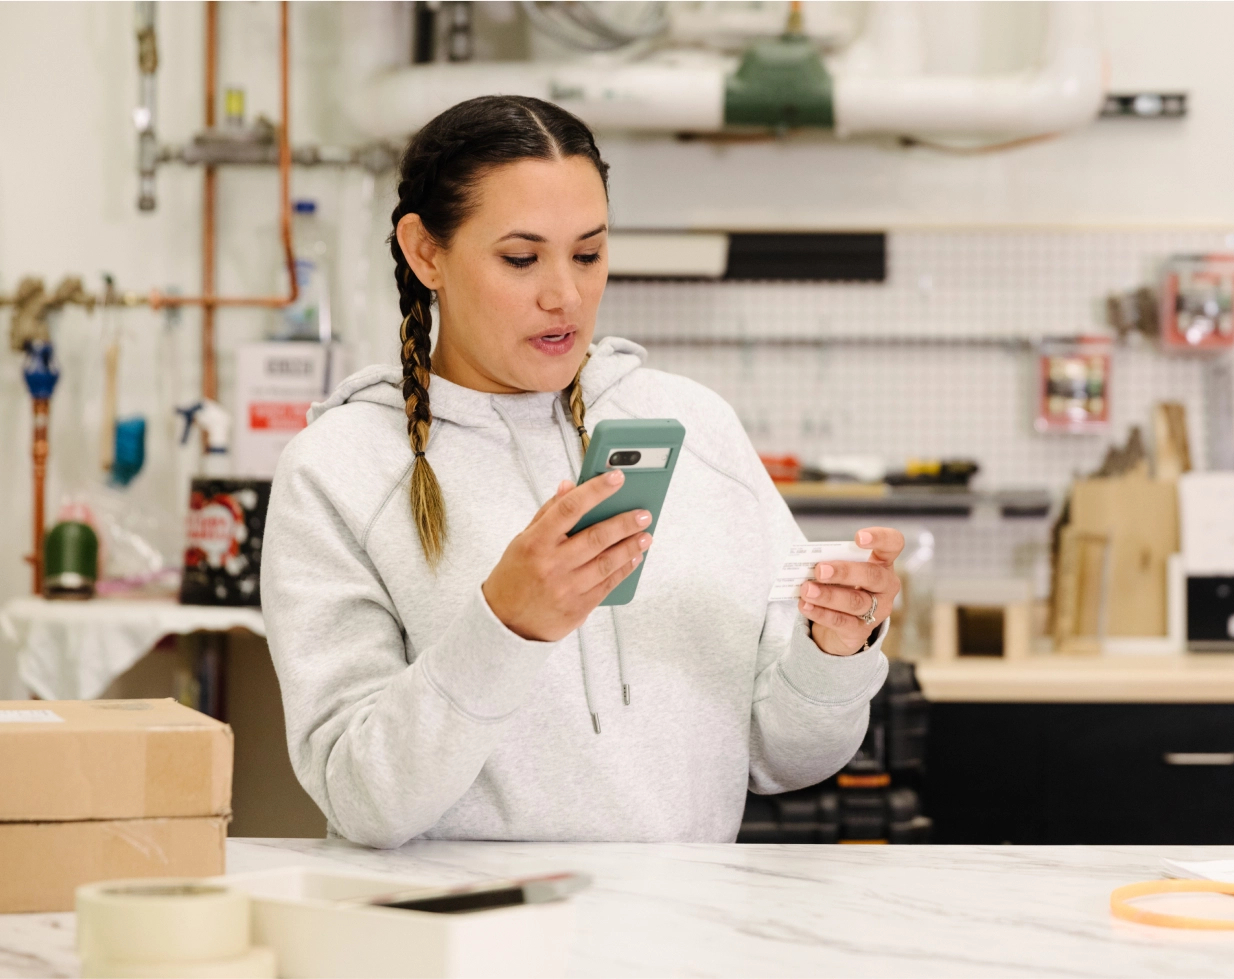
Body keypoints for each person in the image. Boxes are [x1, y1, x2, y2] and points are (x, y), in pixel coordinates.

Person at [260, 95, 904, 848]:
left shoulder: (696, 429)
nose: (564, 294)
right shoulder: (338, 469)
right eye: (522, 258)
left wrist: (833, 648)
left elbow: (783, 757)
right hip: (459, 947)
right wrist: (506, 625)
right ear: (425, 251)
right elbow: (363, 798)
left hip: (681, 943)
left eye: (589, 253)